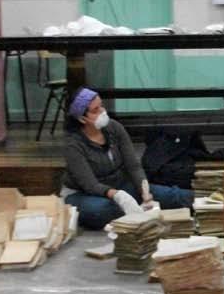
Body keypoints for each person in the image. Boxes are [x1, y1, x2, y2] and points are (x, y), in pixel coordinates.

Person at [61, 87, 193, 230]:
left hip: (120, 186)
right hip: (87, 194)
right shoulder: (73, 144)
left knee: (169, 195)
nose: (102, 112)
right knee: (100, 210)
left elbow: (133, 165)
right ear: (82, 118)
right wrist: (118, 196)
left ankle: (208, 203)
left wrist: (144, 190)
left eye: (102, 106)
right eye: (95, 110)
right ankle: (136, 215)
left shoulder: (114, 128)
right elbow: (90, 185)